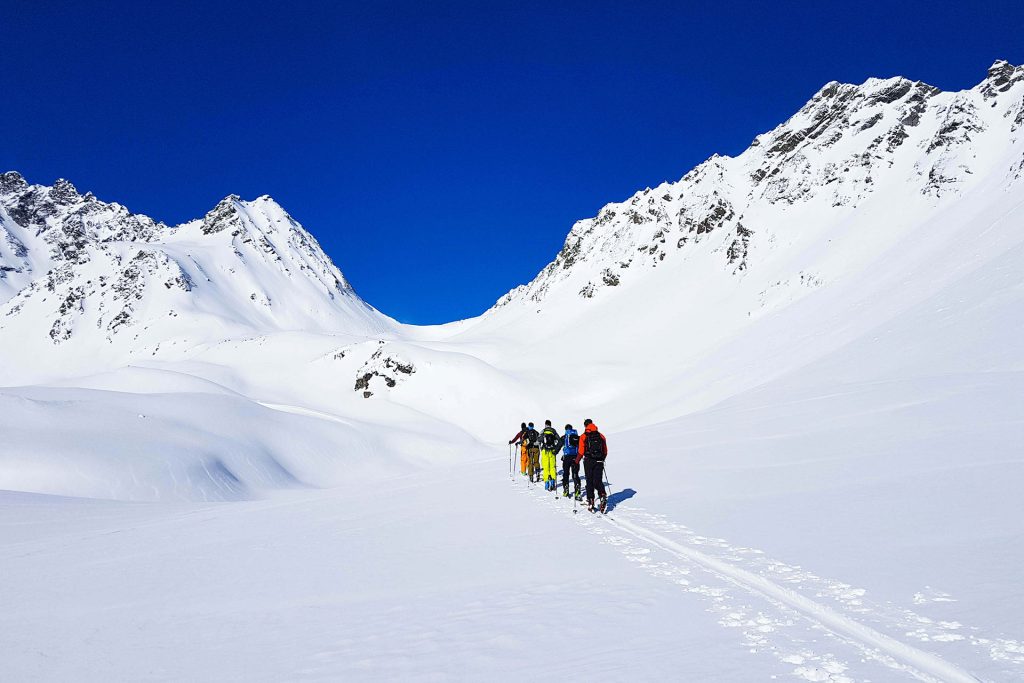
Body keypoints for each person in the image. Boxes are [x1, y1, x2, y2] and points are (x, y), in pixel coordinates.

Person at [575, 418, 608, 512]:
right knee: (598, 480)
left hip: (588, 461)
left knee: (589, 480)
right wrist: (602, 459)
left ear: (585, 426)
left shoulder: (583, 436)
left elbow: (581, 452)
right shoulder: (601, 436)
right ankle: (602, 495)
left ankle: (591, 501)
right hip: (599, 461)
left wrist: (576, 461)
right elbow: (605, 451)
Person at [539, 420, 561, 491]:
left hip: (544, 451)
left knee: (546, 468)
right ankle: (553, 482)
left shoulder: (543, 431)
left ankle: (546, 483)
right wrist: (556, 449)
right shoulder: (553, 431)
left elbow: (538, 440)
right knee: (552, 467)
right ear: (550, 425)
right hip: (552, 451)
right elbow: (560, 440)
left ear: (545, 425)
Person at [560, 423, 580, 499]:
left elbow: (559, 445)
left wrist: (554, 452)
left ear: (566, 429)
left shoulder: (565, 437)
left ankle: (566, 489)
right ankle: (577, 489)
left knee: (566, 473)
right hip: (576, 457)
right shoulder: (577, 437)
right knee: (575, 473)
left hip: (567, 457)